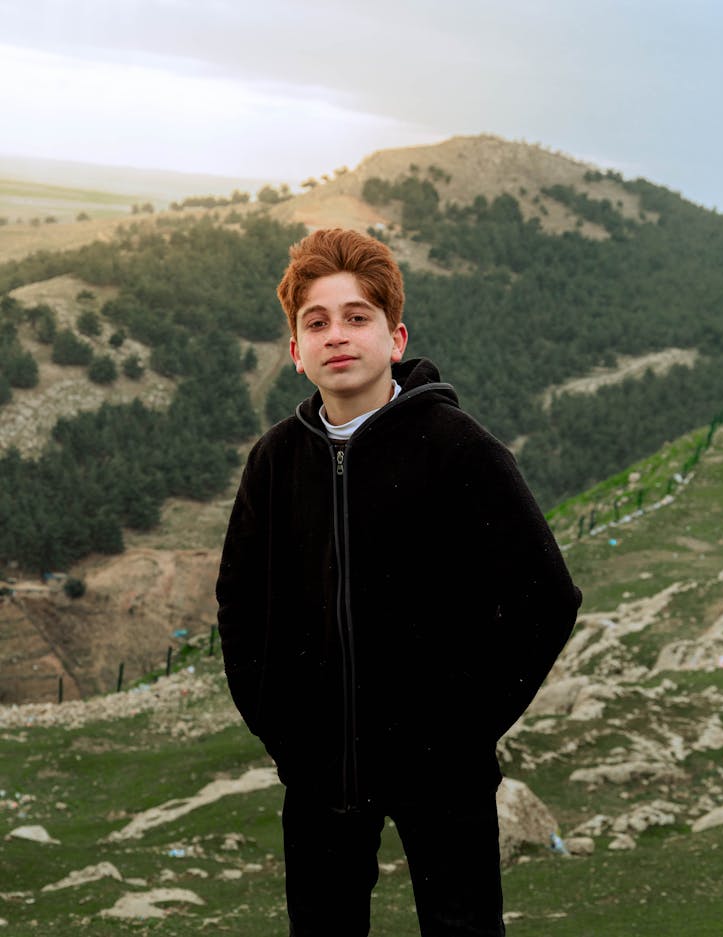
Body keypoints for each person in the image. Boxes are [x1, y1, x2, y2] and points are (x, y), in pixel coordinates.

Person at [216, 227, 582, 937]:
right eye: (316, 322)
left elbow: (545, 596)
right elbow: (240, 606)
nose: (338, 335)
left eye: (358, 316)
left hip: (445, 776)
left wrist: (465, 726)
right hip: (319, 776)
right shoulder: (275, 463)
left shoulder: (459, 449)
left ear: (395, 336)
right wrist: (284, 729)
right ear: (296, 351)